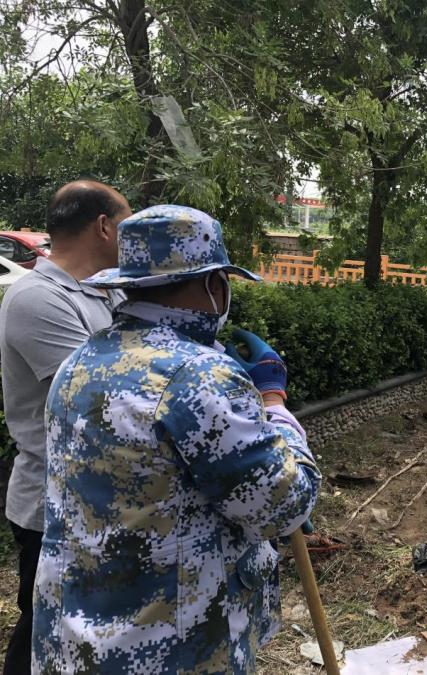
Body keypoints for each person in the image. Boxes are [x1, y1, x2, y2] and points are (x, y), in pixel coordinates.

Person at [32, 205, 321, 673]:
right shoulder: (200, 375)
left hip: (80, 639)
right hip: (173, 646)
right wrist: (274, 404)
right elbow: (285, 504)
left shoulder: (80, 362)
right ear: (213, 284)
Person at [0, 180, 131, 674]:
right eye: (127, 224)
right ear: (103, 226)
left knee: (90, 632)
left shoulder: (109, 289)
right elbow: (104, 401)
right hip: (53, 505)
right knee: (43, 633)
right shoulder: (39, 298)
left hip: (98, 500)